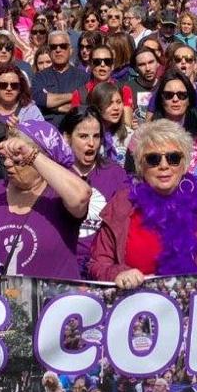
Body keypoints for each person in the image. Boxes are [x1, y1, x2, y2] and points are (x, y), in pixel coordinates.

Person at [88, 120, 197, 287]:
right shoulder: (122, 204)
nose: (164, 166)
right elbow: (98, 263)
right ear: (141, 165)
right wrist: (118, 273)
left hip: (194, 307)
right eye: (153, 159)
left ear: (184, 163)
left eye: (173, 158)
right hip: (138, 307)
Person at [0, 120, 91, 280]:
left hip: (53, 300)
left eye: (17, 160)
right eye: (5, 157)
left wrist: (31, 154)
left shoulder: (58, 195)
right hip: (1, 299)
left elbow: (81, 197)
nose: (7, 164)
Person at [61, 107, 130, 277]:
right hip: (63, 265)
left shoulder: (115, 173)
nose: (91, 143)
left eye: (96, 136)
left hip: (101, 265)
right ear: (67, 137)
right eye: (83, 136)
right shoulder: (57, 173)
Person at [32, 29, 88, 123]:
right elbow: (40, 100)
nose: (58, 50)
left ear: (70, 50)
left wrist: (51, 106)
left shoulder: (84, 77)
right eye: (54, 47)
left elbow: (85, 105)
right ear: (49, 51)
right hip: (49, 132)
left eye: (63, 46)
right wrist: (75, 95)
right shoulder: (39, 77)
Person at [89, 82, 132, 166]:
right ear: (98, 106)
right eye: (109, 103)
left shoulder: (130, 136)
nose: (116, 108)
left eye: (119, 102)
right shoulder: (89, 137)